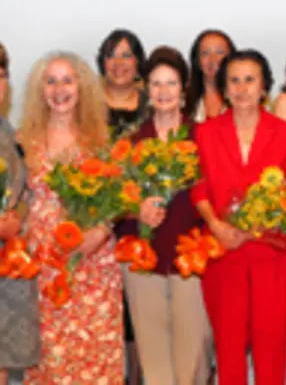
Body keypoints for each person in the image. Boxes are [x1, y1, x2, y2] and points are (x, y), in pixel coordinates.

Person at [190, 49, 286, 385]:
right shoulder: (206, 133)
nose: (241, 88)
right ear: (224, 88)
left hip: (272, 255)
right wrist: (215, 225)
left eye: (249, 80)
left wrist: (257, 226)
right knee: (228, 351)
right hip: (224, 255)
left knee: (271, 351)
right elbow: (199, 188)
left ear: (264, 86)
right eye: (234, 81)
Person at [20, 51, 123, 383]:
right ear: (40, 90)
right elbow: (15, 202)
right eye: (51, 81)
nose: (59, 89)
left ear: (82, 88)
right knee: (51, 360)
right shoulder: (24, 142)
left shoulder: (101, 142)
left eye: (67, 80)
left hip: (93, 269)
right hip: (45, 271)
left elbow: (118, 200)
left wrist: (102, 231)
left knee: (94, 359)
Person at [119, 46, 211, 385]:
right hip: (144, 261)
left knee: (193, 356)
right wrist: (135, 209)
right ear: (147, 90)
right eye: (156, 84)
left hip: (192, 258)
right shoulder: (131, 142)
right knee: (153, 355)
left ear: (184, 89)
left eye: (170, 83)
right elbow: (115, 205)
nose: (163, 92)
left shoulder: (205, 137)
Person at [0, 35, 40, 385]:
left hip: (3, 275)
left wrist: (20, 216)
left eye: (0, 74)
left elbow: (25, 190)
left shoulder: (8, 132)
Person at [96, 28, 147, 384]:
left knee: (139, 313)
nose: (119, 64)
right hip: (97, 219)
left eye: (127, 55)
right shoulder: (87, 104)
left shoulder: (153, 102)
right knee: (107, 310)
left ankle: (139, 377)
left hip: (139, 221)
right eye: (112, 55)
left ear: (139, 63)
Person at [186, 29, 236, 123]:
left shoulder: (244, 99)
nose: (213, 60)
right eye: (205, 53)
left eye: (220, 52)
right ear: (197, 60)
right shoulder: (183, 103)